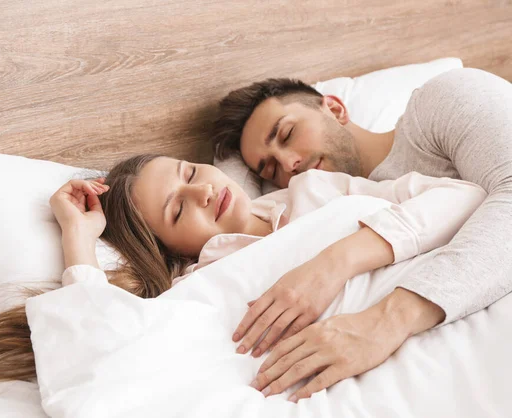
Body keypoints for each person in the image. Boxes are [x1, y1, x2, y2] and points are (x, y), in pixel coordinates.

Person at [0, 154, 486, 395]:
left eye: (187, 173)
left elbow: (465, 198)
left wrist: (334, 262)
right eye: (179, 212)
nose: (201, 191)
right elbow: (97, 350)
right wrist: (78, 237)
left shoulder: (320, 191)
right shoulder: (202, 282)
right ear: (170, 250)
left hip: (453, 304)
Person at [212, 67, 512, 401]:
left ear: (336, 109)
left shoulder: (440, 102)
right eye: (270, 169)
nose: (288, 164)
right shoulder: (323, 211)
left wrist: (386, 321)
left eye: (286, 135)